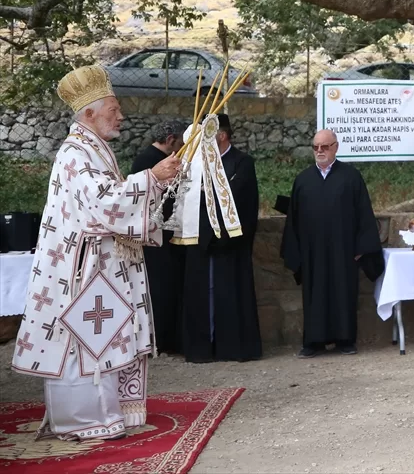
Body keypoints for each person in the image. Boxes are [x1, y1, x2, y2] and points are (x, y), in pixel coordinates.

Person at [11, 66, 178, 440]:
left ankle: (110, 413)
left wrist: (154, 181)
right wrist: (151, 177)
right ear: (88, 114)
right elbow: (104, 202)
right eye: (113, 109)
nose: (120, 116)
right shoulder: (75, 153)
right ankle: (86, 419)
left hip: (99, 264)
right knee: (86, 338)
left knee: (104, 333)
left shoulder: (94, 150)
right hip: (80, 270)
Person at [281, 128, 382, 358]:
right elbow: (293, 220)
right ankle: (313, 342)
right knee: (314, 296)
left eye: (324, 147)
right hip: (312, 253)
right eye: (316, 147)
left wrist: (360, 249)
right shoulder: (303, 180)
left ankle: (345, 340)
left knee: (342, 294)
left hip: (343, 251)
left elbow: (364, 215)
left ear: (335, 147)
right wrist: (296, 254)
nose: (319, 151)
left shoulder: (351, 177)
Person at [180, 114, 261, 363]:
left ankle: (231, 347)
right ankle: (202, 347)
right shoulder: (196, 163)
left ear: (221, 135)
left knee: (230, 294)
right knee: (202, 295)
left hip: (230, 244)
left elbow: (246, 204)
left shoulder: (242, 163)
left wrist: (230, 236)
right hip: (201, 242)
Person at [129, 119, 186, 354]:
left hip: (162, 234)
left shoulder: (149, 158)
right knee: (161, 289)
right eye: (181, 142)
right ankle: (162, 339)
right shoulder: (149, 162)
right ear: (171, 140)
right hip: (155, 236)